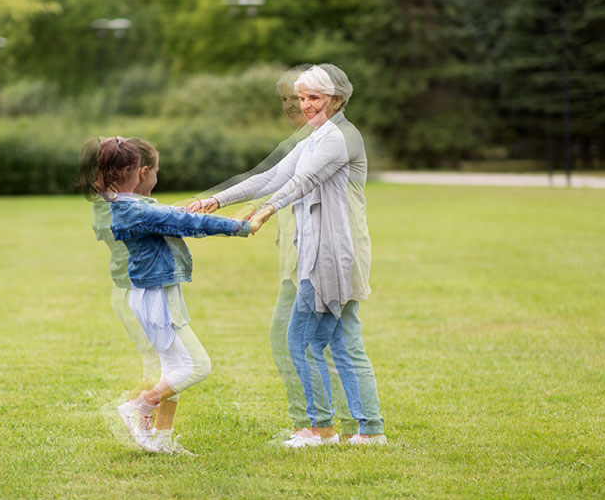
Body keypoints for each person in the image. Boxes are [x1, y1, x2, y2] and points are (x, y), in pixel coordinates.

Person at [194, 64, 386, 447]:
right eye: (302, 98)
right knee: (345, 342)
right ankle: (370, 430)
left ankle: (320, 430)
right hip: (324, 251)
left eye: (314, 97)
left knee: (300, 339)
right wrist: (217, 199)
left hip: (331, 254)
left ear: (335, 99)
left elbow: (303, 182)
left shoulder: (339, 137)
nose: (306, 105)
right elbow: (272, 176)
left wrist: (264, 211)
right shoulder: (315, 138)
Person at [78, 136, 253, 455]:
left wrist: (183, 209)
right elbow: (182, 223)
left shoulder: (125, 205)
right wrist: (237, 226)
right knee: (198, 367)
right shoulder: (134, 210)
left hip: (152, 294)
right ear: (134, 172)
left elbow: (163, 215)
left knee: (173, 371)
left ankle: (160, 440)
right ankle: (136, 407)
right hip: (157, 299)